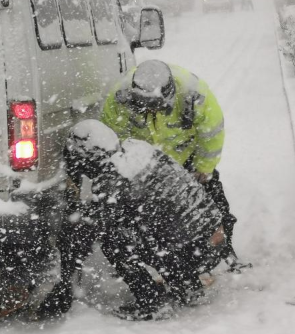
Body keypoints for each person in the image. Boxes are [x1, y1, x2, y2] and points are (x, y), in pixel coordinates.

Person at [38, 120, 227, 320]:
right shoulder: (137, 148)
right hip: (214, 240)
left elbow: (89, 234)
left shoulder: (112, 180)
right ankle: (189, 287)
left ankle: (152, 303)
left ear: (87, 157)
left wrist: (64, 283)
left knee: (114, 242)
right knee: (148, 228)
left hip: (194, 252)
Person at [100, 59, 248, 272]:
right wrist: (130, 173)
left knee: (213, 205)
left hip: (187, 157)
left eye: (155, 106)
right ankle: (173, 263)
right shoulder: (119, 99)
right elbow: (114, 140)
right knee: (153, 216)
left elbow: (212, 133)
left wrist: (204, 168)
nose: (150, 111)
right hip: (148, 166)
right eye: (144, 106)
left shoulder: (193, 94)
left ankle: (225, 250)